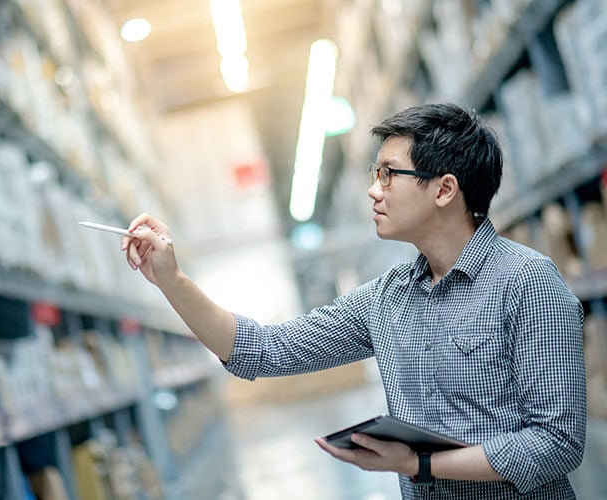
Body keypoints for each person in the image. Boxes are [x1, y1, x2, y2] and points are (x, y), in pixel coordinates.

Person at [120, 102, 586, 499]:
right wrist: (171, 279)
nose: (373, 189)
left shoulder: (528, 284)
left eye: (388, 175)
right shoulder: (388, 298)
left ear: (445, 189)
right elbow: (261, 350)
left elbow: (556, 442)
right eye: (374, 173)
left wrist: (418, 465)